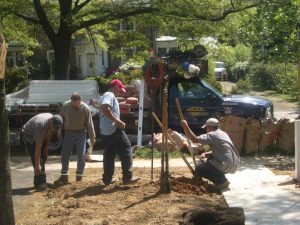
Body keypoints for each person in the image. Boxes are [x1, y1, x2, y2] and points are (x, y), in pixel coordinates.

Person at [91, 79, 140, 185]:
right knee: (126, 148)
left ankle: (107, 179)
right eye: (119, 90)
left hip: (105, 131)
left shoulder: (105, 95)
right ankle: (128, 177)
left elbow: (103, 108)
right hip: (113, 130)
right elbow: (105, 108)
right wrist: (117, 120)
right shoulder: (109, 95)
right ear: (116, 88)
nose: (120, 93)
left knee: (109, 154)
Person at [180, 118, 240, 190]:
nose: (206, 130)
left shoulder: (213, 135)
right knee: (209, 160)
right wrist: (206, 153)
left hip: (226, 164)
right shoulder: (223, 133)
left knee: (199, 169)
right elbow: (222, 150)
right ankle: (220, 178)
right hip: (233, 164)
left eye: (206, 128)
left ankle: (221, 181)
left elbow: (194, 139)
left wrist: (185, 126)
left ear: (210, 127)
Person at [54, 92, 96, 185]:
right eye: (74, 105)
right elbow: (60, 119)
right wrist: (59, 130)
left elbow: (89, 124)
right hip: (68, 133)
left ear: (80, 101)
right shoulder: (65, 106)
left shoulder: (85, 109)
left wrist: (92, 137)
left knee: (81, 156)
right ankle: (64, 176)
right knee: (65, 155)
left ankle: (79, 178)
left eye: (77, 105)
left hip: (81, 133)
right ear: (71, 101)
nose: (76, 107)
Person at [22, 113, 63, 189]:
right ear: (50, 122)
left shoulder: (52, 119)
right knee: (37, 159)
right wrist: (37, 165)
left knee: (44, 156)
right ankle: (40, 182)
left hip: (41, 132)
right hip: (29, 135)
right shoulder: (40, 126)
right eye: (53, 127)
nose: (54, 129)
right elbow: (37, 148)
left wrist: (46, 147)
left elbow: (50, 131)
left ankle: (39, 181)